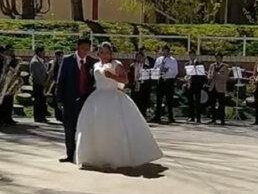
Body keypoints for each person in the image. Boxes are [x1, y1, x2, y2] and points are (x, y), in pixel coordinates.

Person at [75, 41, 163, 170]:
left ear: (111, 53)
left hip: (113, 97)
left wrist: (112, 76)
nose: (105, 55)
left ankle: (114, 157)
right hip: (97, 98)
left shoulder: (116, 64)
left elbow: (125, 80)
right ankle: (95, 156)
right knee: (96, 128)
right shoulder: (95, 65)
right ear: (98, 53)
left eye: (107, 52)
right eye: (102, 52)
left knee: (113, 127)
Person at [55, 36, 96, 163]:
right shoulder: (67, 60)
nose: (85, 51)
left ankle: (82, 154)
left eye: (87, 49)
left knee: (84, 128)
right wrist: (59, 99)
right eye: (83, 48)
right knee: (69, 128)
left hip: (86, 101)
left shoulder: (92, 62)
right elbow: (60, 80)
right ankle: (70, 154)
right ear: (78, 47)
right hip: (69, 100)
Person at [153, 45, 178, 124]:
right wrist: (159, 70)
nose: (164, 52)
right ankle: (157, 116)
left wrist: (167, 70)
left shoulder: (173, 60)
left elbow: (175, 72)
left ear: (168, 51)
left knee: (169, 100)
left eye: (166, 51)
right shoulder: (159, 59)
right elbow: (154, 68)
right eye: (163, 51)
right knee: (159, 99)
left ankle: (170, 117)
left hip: (168, 81)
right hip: (160, 80)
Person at [207, 53, 230, 125]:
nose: (217, 59)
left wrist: (216, 74)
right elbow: (209, 74)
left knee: (221, 104)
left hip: (221, 87)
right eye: (216, 57)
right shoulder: (212, 65)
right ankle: (213, 119)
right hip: (213, 86)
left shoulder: (225, 66)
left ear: (222, 58)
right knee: (212, 104)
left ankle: (222, 120)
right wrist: (210, 76)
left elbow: (225, 77)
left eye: (219, 57)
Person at [184, 53, 206, 124]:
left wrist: (201, 83)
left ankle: (198, 118)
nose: (191, 57)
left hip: (197, 85)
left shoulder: (199, 64)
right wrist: (186, 79)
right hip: (190, 84)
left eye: (192, 55)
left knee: (197, 102)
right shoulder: (187, 64)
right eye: (190, 55)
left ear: (195, 56)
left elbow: (203, 75)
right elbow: (186, 75)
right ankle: (191, 117)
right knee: (190, 102)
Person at [29, 46, 49, 122]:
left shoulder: (41, 60)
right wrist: (44, 83)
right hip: (38, 85)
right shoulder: (35, 62)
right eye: (43, 52)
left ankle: (42, 116)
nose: (44, 53)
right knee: (38, 101)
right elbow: (37, 75)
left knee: (42, 101)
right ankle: (38, 117)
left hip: (42, 84)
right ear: (39, 52)